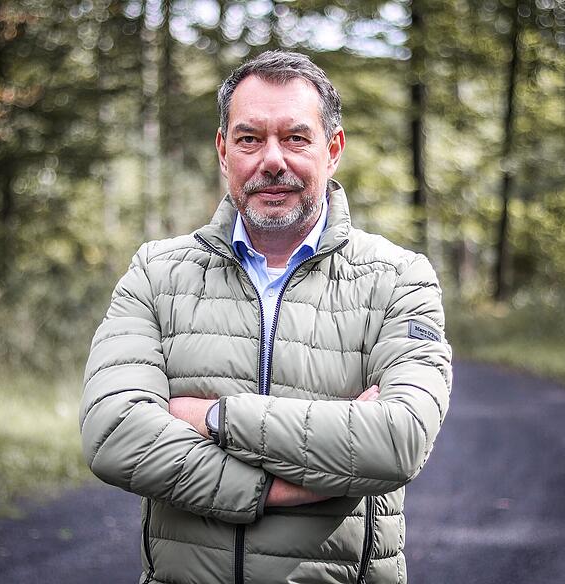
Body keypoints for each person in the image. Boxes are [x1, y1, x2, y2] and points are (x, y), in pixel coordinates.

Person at [80, 50, 452, 584]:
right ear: (223, 150)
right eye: (250, 138)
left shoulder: (398, 278)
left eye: (296, 138)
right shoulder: (156, 273)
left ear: (334, 148)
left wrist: (210, 418)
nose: (271, 159)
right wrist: (285, 487)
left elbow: (396, 441)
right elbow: (112, 434)